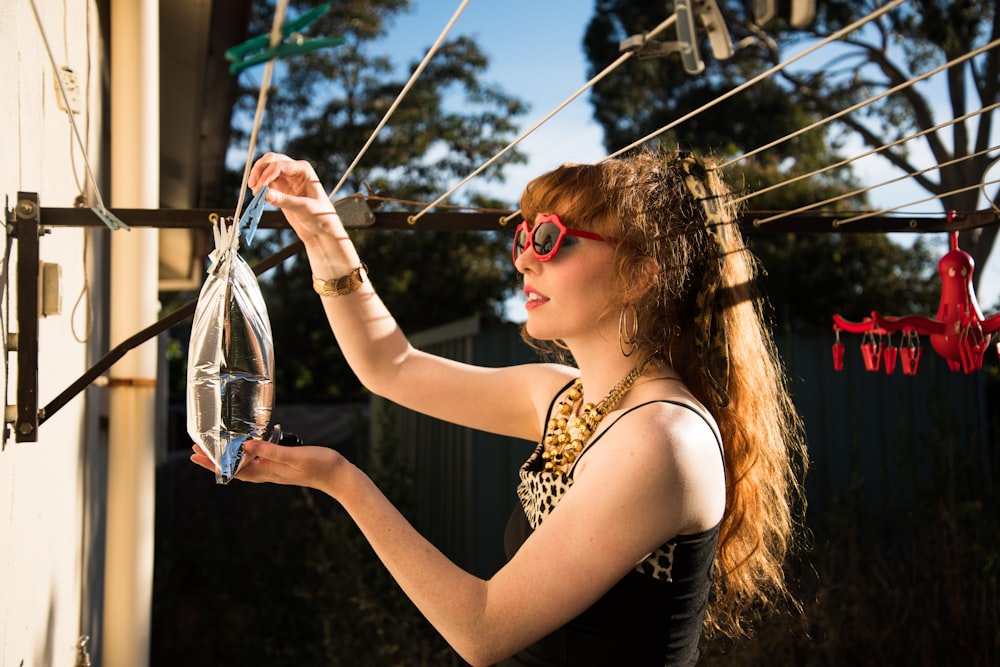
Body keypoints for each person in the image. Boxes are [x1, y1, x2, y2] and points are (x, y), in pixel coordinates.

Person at [191, 147, 807, 666]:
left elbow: (482, 629)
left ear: (641, 275)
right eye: (524, 235)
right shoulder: (564, 398)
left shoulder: (663, 439)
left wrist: (340, 480)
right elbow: (392, 366)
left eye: (552, 238)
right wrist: (323, 230)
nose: (523, 257)